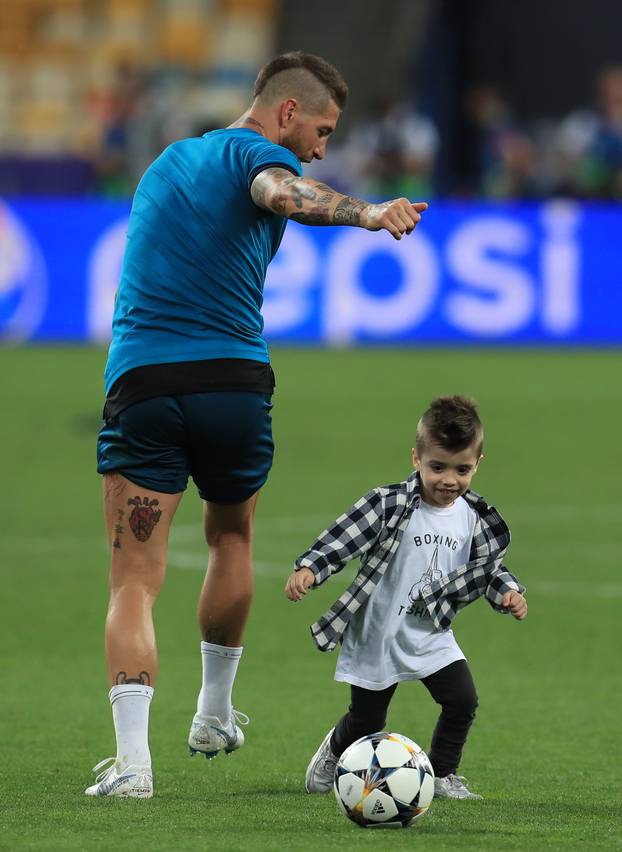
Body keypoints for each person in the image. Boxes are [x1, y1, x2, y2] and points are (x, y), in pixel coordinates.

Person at [86, 50, 429, 798]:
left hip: (145, 381)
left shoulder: (168, 165)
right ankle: (213, 714)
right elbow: (282, 190)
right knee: (232, 536)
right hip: (235, 388)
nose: (323, 146)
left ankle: (134, 767)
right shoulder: (258, 153)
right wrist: (365, 212)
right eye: (323, 129)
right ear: (285, 112)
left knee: (134, 581)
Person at [285, 395, 527, 800]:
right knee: (367, 718)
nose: (449, 479)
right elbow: (344, 537)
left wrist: (508, 592)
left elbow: (486, 568)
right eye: (438, 467)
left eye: (462, 469)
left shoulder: (473, 517)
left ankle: (442, 774)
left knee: (462, 700)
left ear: (478, 464)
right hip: (378, 631)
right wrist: (311, 567)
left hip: (430, 631)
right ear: (416, 458)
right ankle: (335, 750)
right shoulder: (389, 503)